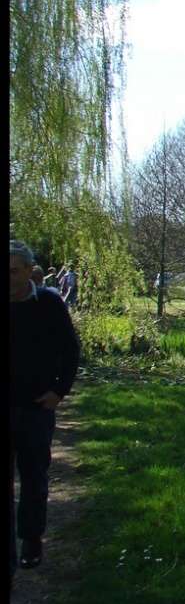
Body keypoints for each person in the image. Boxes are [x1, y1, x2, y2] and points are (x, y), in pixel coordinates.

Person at [10, 240, 81, 580]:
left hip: (36, 407)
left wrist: (58, 391)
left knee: (34, 476)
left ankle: (31, 539)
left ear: (29, 271)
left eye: (14, 270)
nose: (9, 277)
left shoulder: (49, 303)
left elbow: (70, 350)